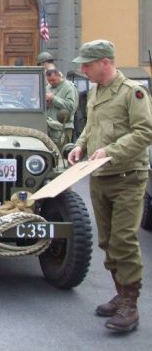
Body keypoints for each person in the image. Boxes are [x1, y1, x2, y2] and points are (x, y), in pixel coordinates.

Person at [67, 39, 152, 333]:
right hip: (100, 176)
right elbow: (91, 127)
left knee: (124, 241)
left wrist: (112, 151)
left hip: (127, 176)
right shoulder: (95, 92)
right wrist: (80, 146)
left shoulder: (133, 93)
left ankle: (130, 306)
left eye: (87, 64)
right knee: (107, 241)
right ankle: (120, 294)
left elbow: (145, 132)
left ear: (105, 62)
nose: (83, 69)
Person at [45, 68, 79, 147]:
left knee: (61, 154)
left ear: (59, 76)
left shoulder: (69, 87)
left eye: (53, 80)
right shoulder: (48, 87)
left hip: (63, 128)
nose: (51, 83)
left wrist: (54, 99)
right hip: (49, 126)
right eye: (49, 80)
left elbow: (71, 106)